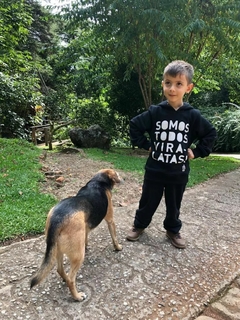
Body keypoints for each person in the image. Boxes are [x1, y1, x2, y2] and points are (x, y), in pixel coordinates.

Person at [126, 60, 217, 249]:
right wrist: (146, 145)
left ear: (188, 87)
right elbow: (135, 125)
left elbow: (210, 133)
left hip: (178, 172)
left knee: (174, 205)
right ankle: (139, 225)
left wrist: (198, 151)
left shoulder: (192, 116)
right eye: (168, 83)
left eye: (178, 84)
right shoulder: (155, 112)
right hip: (154, 170)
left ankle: (173, 230)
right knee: (148, 201)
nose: (172, 88)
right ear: (163, 85)